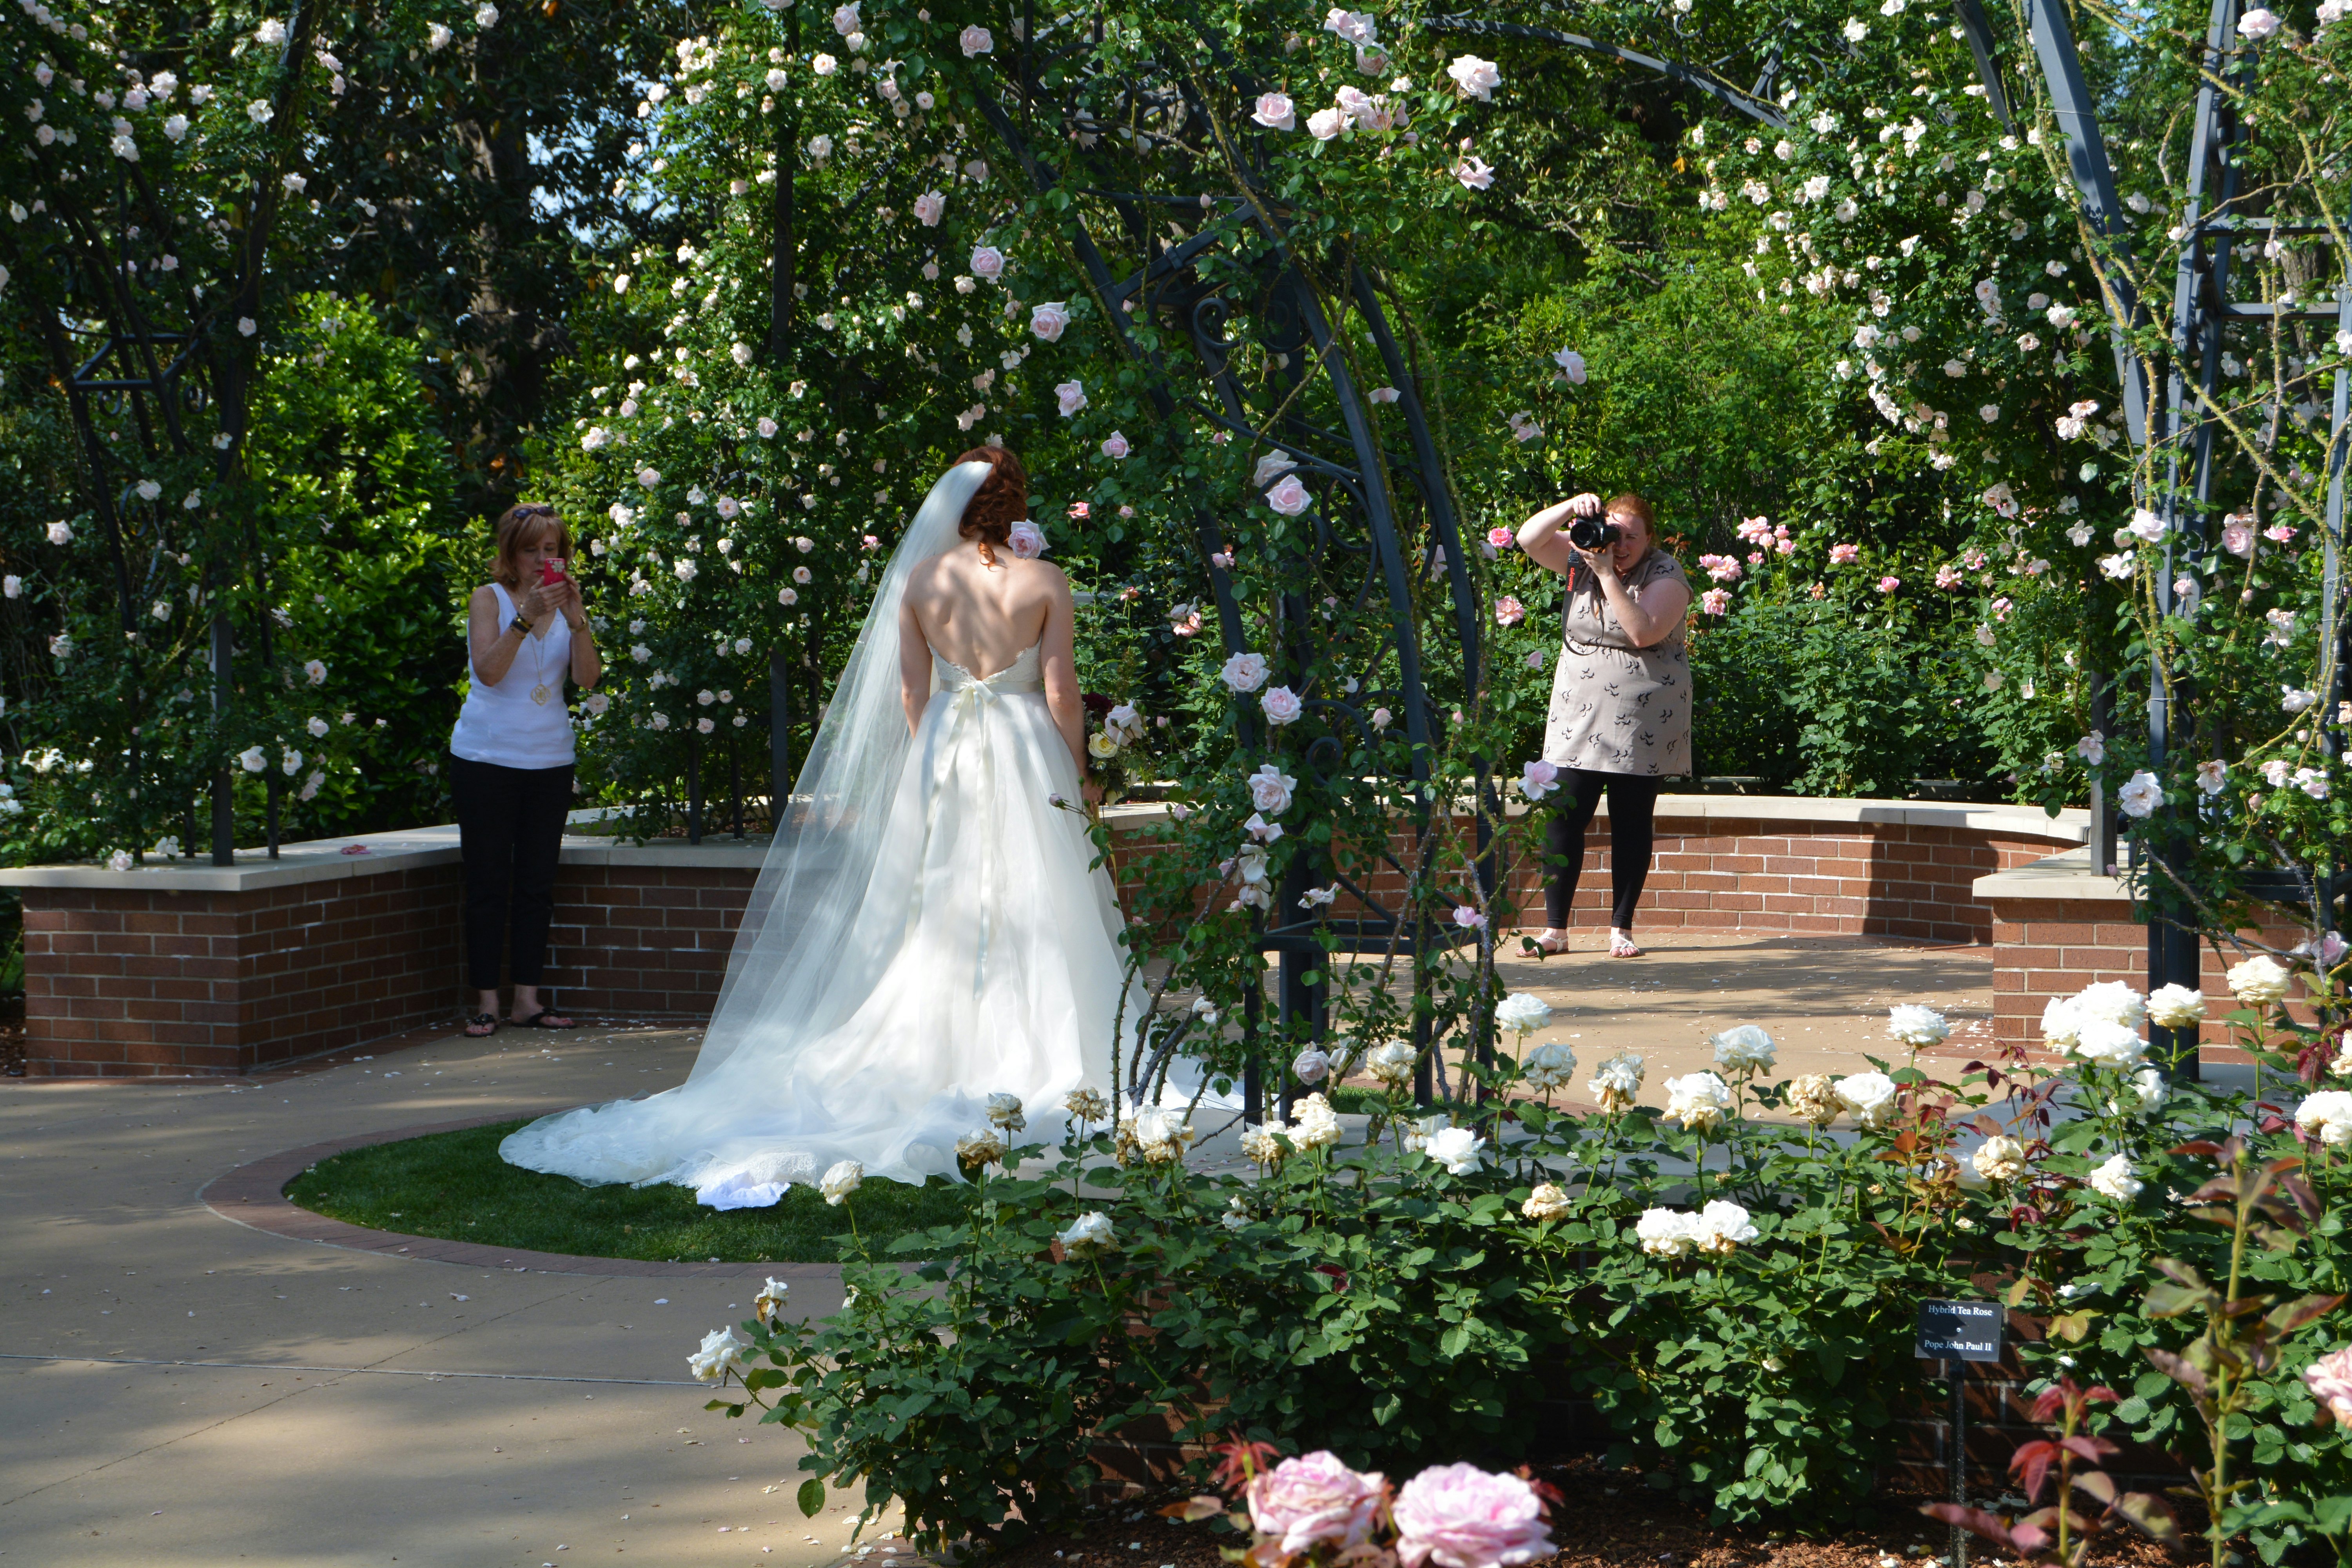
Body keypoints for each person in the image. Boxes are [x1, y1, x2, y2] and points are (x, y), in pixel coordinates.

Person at [499, 449, 1150, 1207]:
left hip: (945, 755)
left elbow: (914, 693)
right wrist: (1080, 778)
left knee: (932, 909)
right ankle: (1042, 1046)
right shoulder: (1045, 582)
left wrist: (928, 765)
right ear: (1014, 509)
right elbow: (1061, 688)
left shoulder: (920, 582)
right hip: (1025, 750)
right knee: (1039, 899)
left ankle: (936, 1047)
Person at [1515, 491, 1692, 959]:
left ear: (1650, 538)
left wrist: (1607, 574)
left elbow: (1642, 631)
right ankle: (1555, 930)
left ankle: (1621, 928)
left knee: (1630, 821)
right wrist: (1573, 508)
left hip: (1642, 720)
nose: (1621, 543)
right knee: (1563, 816)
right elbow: (1528, 538)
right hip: (1578, 714)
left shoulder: (1665, 574)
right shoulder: (1584, 555)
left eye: (1632, 536)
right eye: (1616, 533)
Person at [448, 503, 603, 1036]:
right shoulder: (487, 600)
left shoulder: (567, 609)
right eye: (533, 549)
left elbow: (587, 680)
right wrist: (525, 617)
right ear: (510, 555)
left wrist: (577, 617)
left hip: (549, 759)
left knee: (537, 883)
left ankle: (528, 1001)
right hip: (487, 759)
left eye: (552, 549)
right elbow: (488, 673)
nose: (543, 559)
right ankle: (488, 999)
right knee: (489, 880)